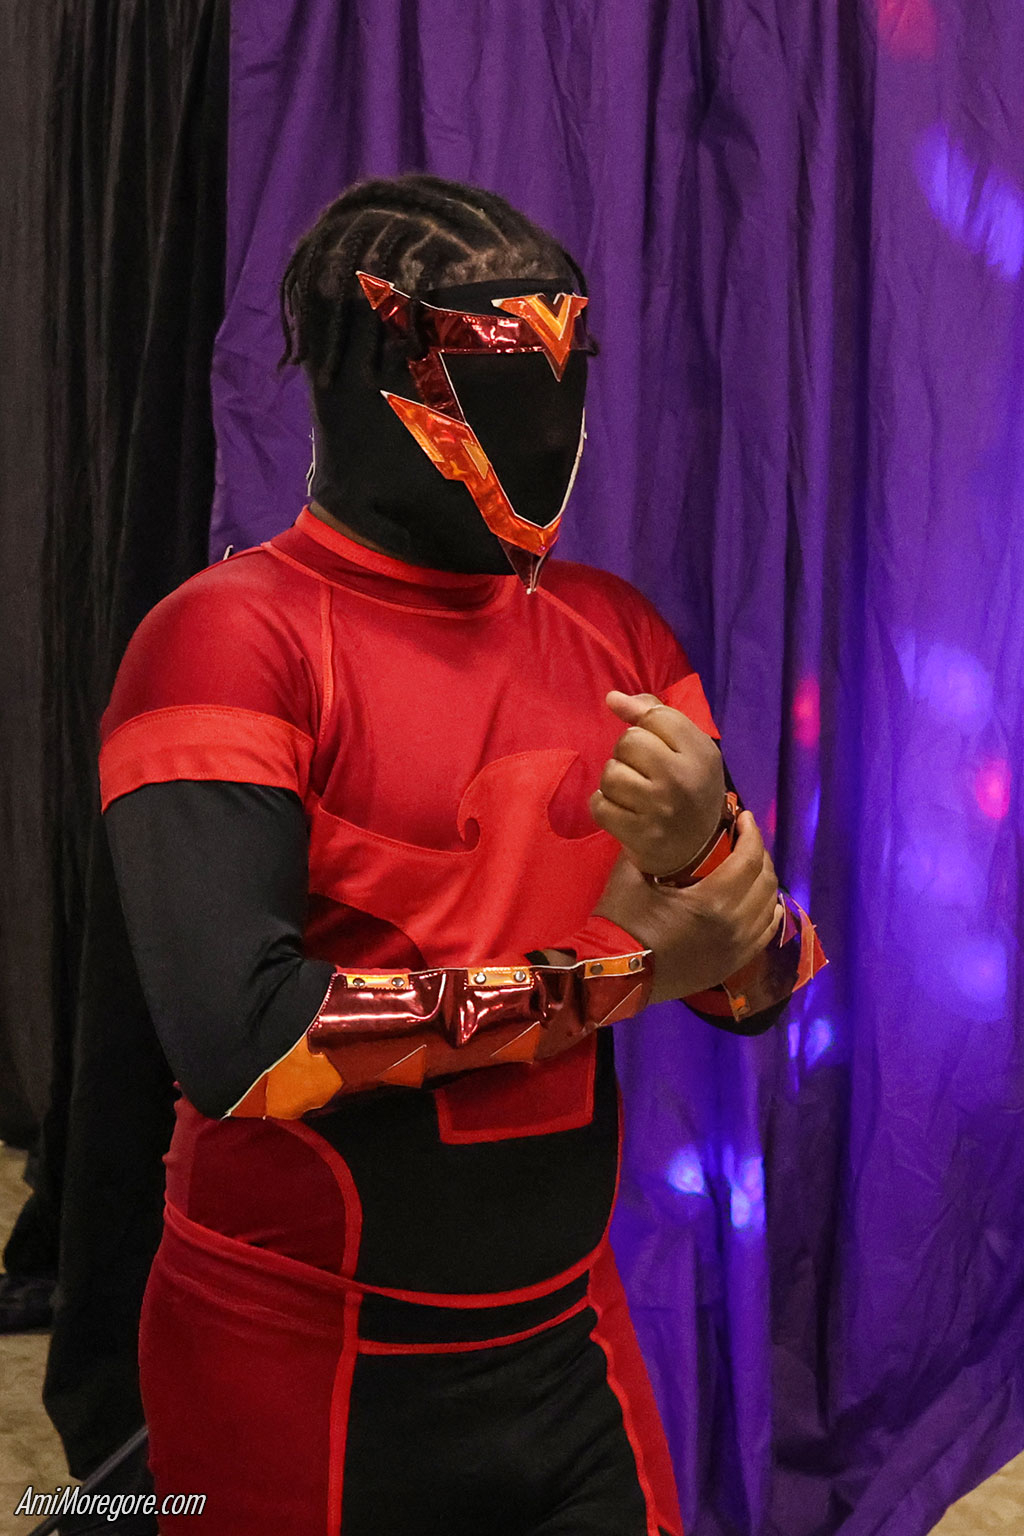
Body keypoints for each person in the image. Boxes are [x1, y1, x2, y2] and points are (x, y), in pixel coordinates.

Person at [99, 174, 826, 1536]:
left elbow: (761, 982)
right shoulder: (230, 639)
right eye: (501, 379)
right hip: (300, 1359)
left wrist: (703, 855)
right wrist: (621, 968)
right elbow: (246, 1044)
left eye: (567, 375)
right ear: (371, 378)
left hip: (568, 1344)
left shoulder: (616, 634)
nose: (549, 427)